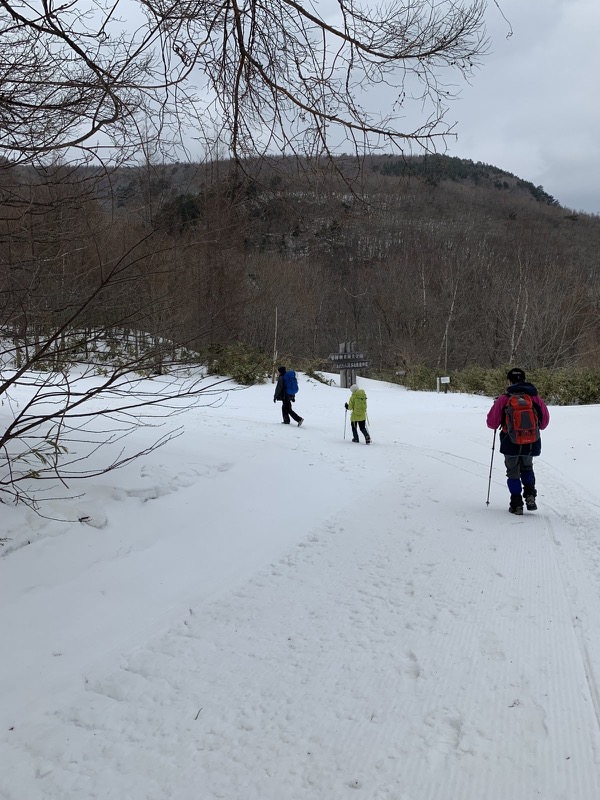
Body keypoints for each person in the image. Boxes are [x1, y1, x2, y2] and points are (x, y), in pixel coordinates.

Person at [486, 368, 550, 515]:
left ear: (509, 381)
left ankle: (516, 504)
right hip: (531, 441)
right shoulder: (534, 398)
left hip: (510, 442)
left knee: (513, 472)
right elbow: (544, 422)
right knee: (527, 467)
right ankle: (530, 495)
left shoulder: (504, 398)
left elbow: (492, 423)